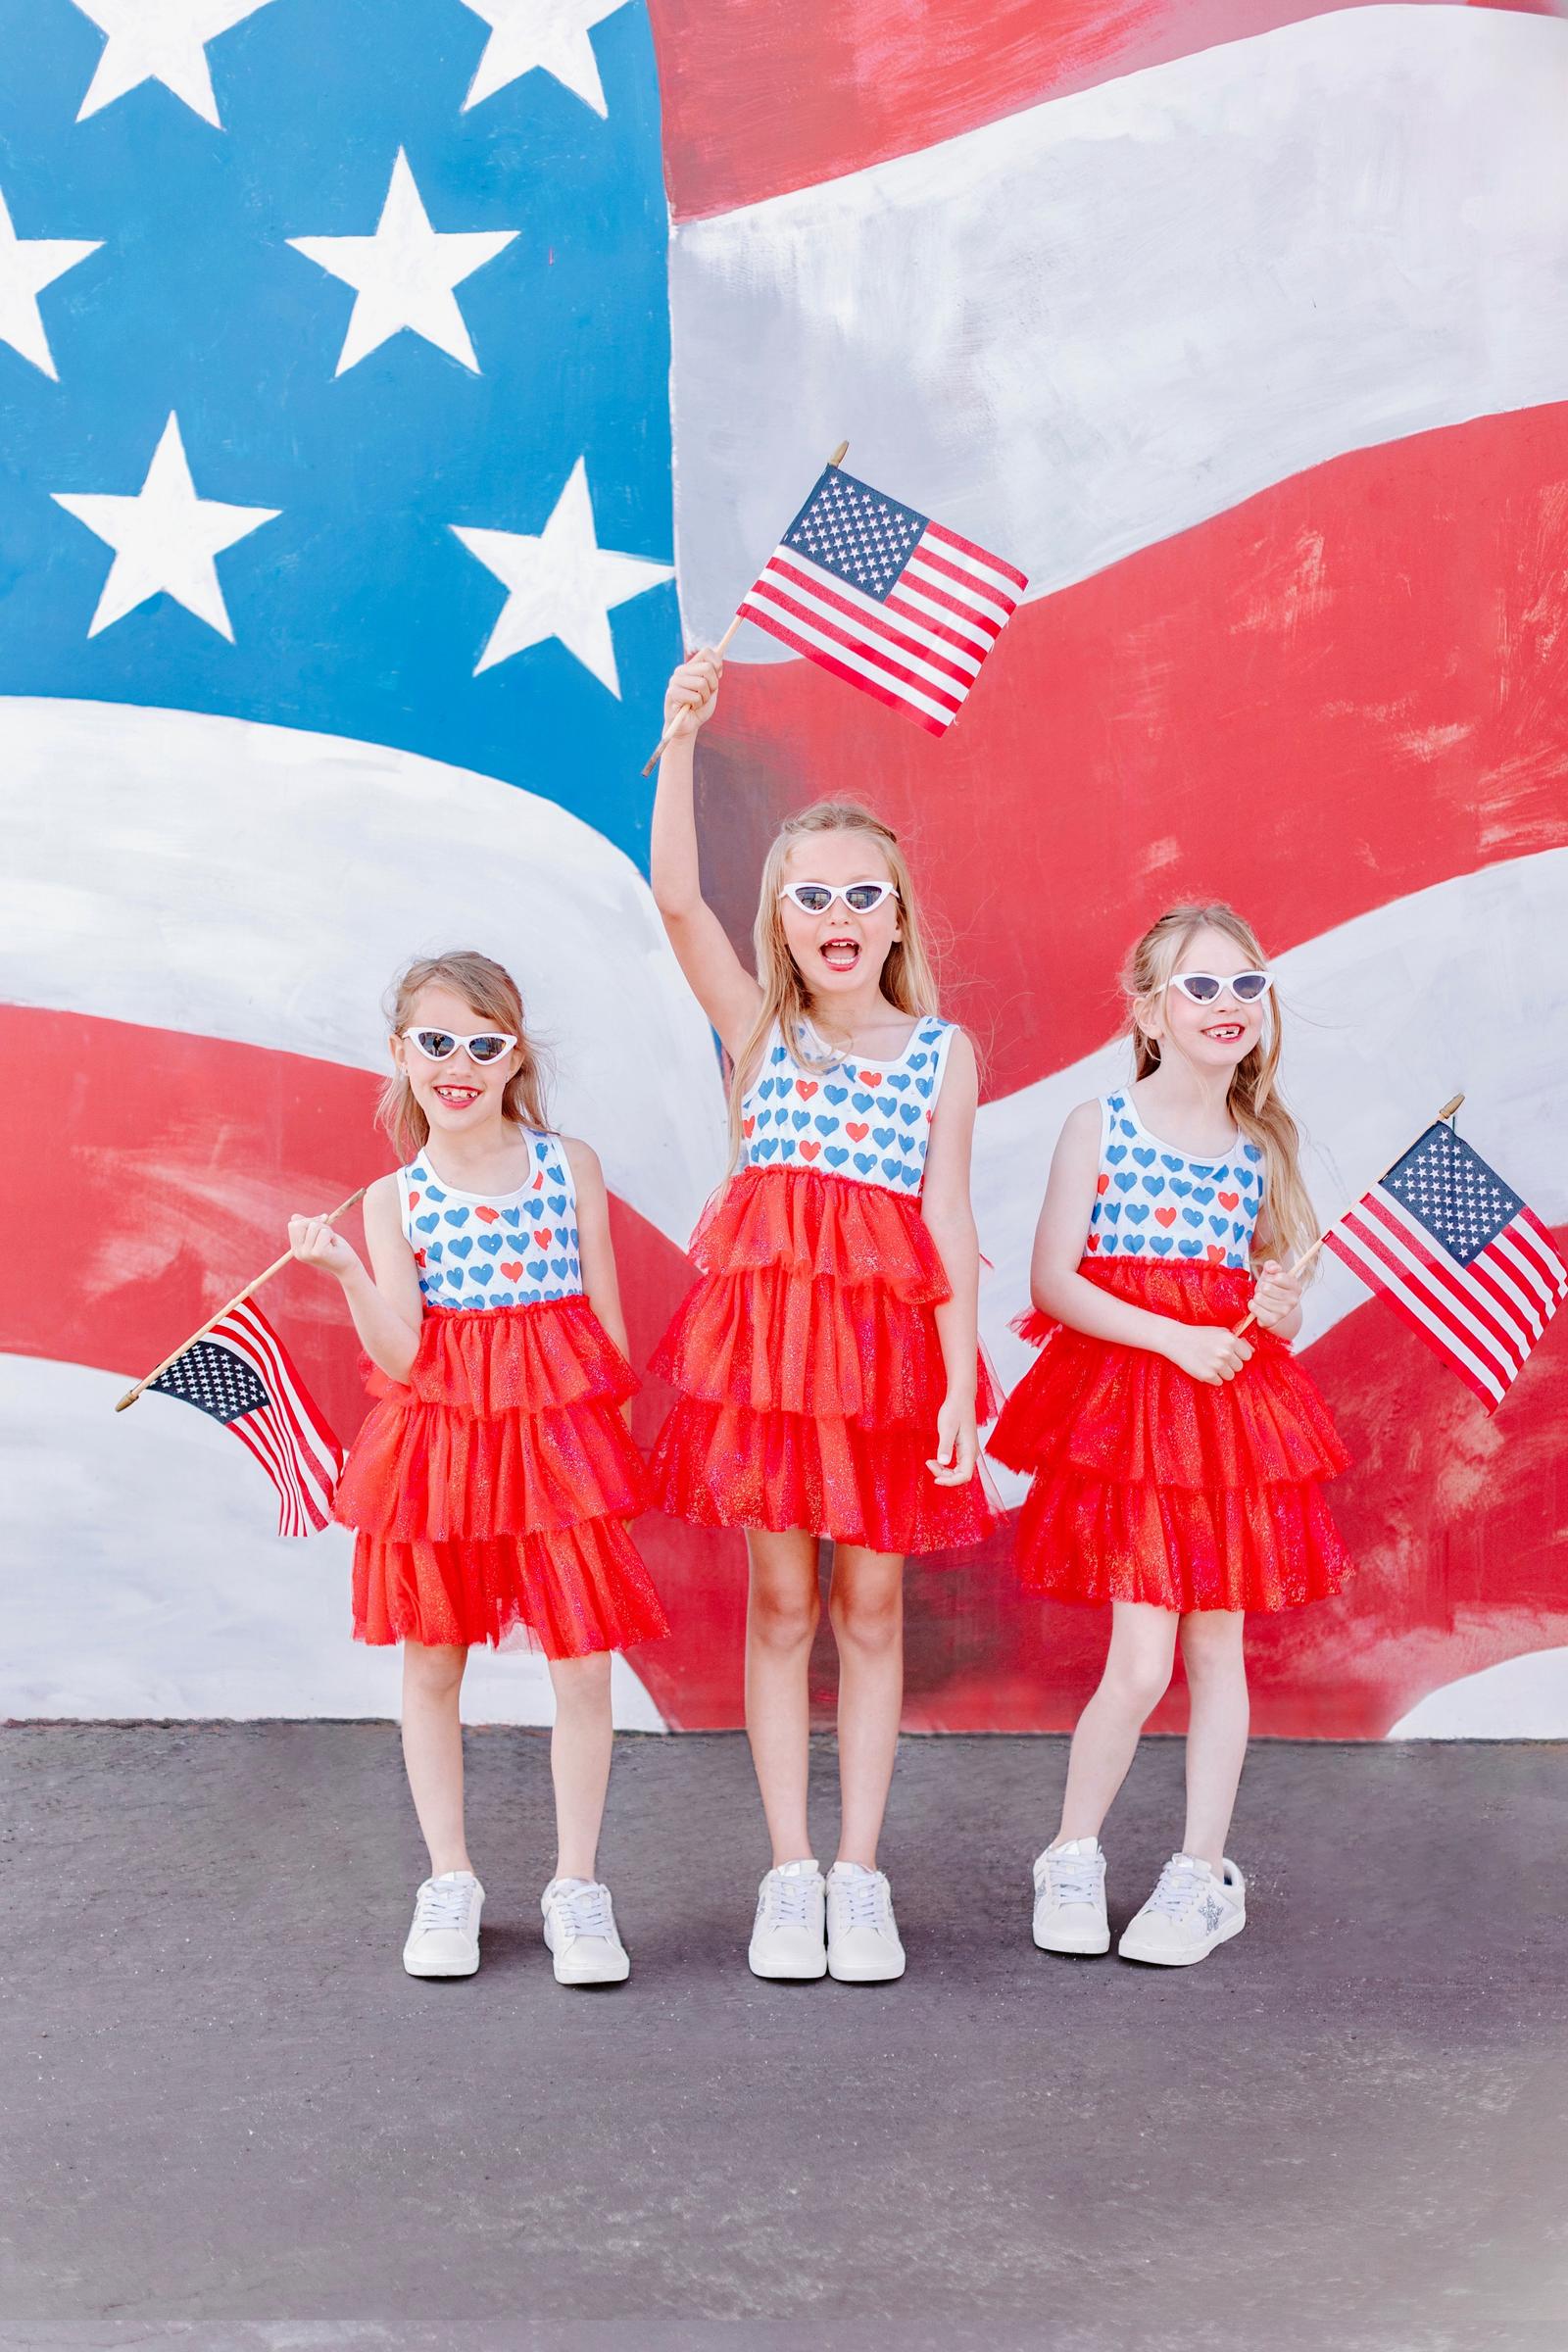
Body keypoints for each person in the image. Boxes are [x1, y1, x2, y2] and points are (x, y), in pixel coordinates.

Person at [647, 648, 995, 1985]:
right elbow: (676, 899)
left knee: (873, 1608)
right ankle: (788, 1874)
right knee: (782, 1603)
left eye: (864, 896)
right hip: (771, 1368)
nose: (838, 915)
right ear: (781, 920)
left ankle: (862, 1871)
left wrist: (961, 1382)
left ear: (897, 918)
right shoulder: (757, 1034)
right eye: (812, 897)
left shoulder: (941, 1053)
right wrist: (683, 738)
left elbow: (948, 1220)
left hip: (889, 1372)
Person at [289, 951, 667, 1985]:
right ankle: (449, 1878)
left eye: (484, 1045)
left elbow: (607, 1335)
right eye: (436, 1042)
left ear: (515, 1055)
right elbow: (406, 1356)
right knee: (433, 1659)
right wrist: (348, 1277)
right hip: (443, 1454)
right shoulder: (392, 1197)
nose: (459, 1065)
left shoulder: (567, 1165)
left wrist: (612, 1474)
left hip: (561, 1452)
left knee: (582, 1665)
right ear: (401, 1054)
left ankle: (577, 1885)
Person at [989, 904, 1350, 1967]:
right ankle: (1069, 1852)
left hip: (1228, 1423)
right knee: (1140, 1661)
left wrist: (1275, 1306)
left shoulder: (1262, 1143)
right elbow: (1054, 1280)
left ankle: (1200, 1873)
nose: (1228, 1004)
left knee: (1215, 1646)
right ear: (1148, 1009)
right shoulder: (1100, 1124)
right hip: (1134, 1417)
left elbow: (1272, 1299)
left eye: (1246, 984)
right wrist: (1173, 1340)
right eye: (1201, 986)